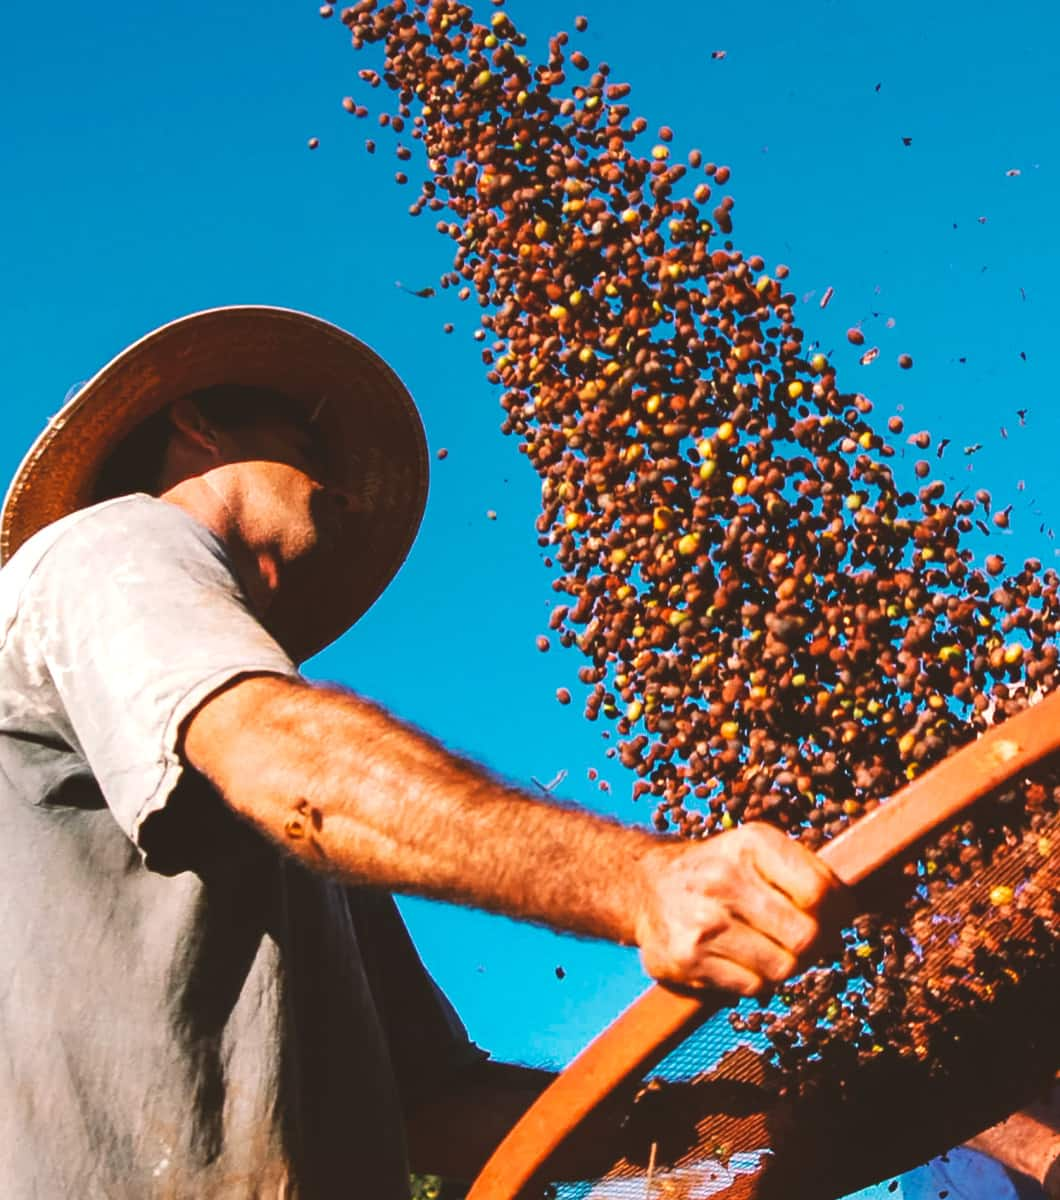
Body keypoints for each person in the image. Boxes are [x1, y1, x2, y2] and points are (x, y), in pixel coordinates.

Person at [0, 305, 847, 1199]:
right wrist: (644, 883)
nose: (346, 489)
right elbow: (289, 765)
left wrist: (698, 1127)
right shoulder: (107, 547)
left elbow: (432, 1106)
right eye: (315, 449)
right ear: (199, 425)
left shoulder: (302, 826)